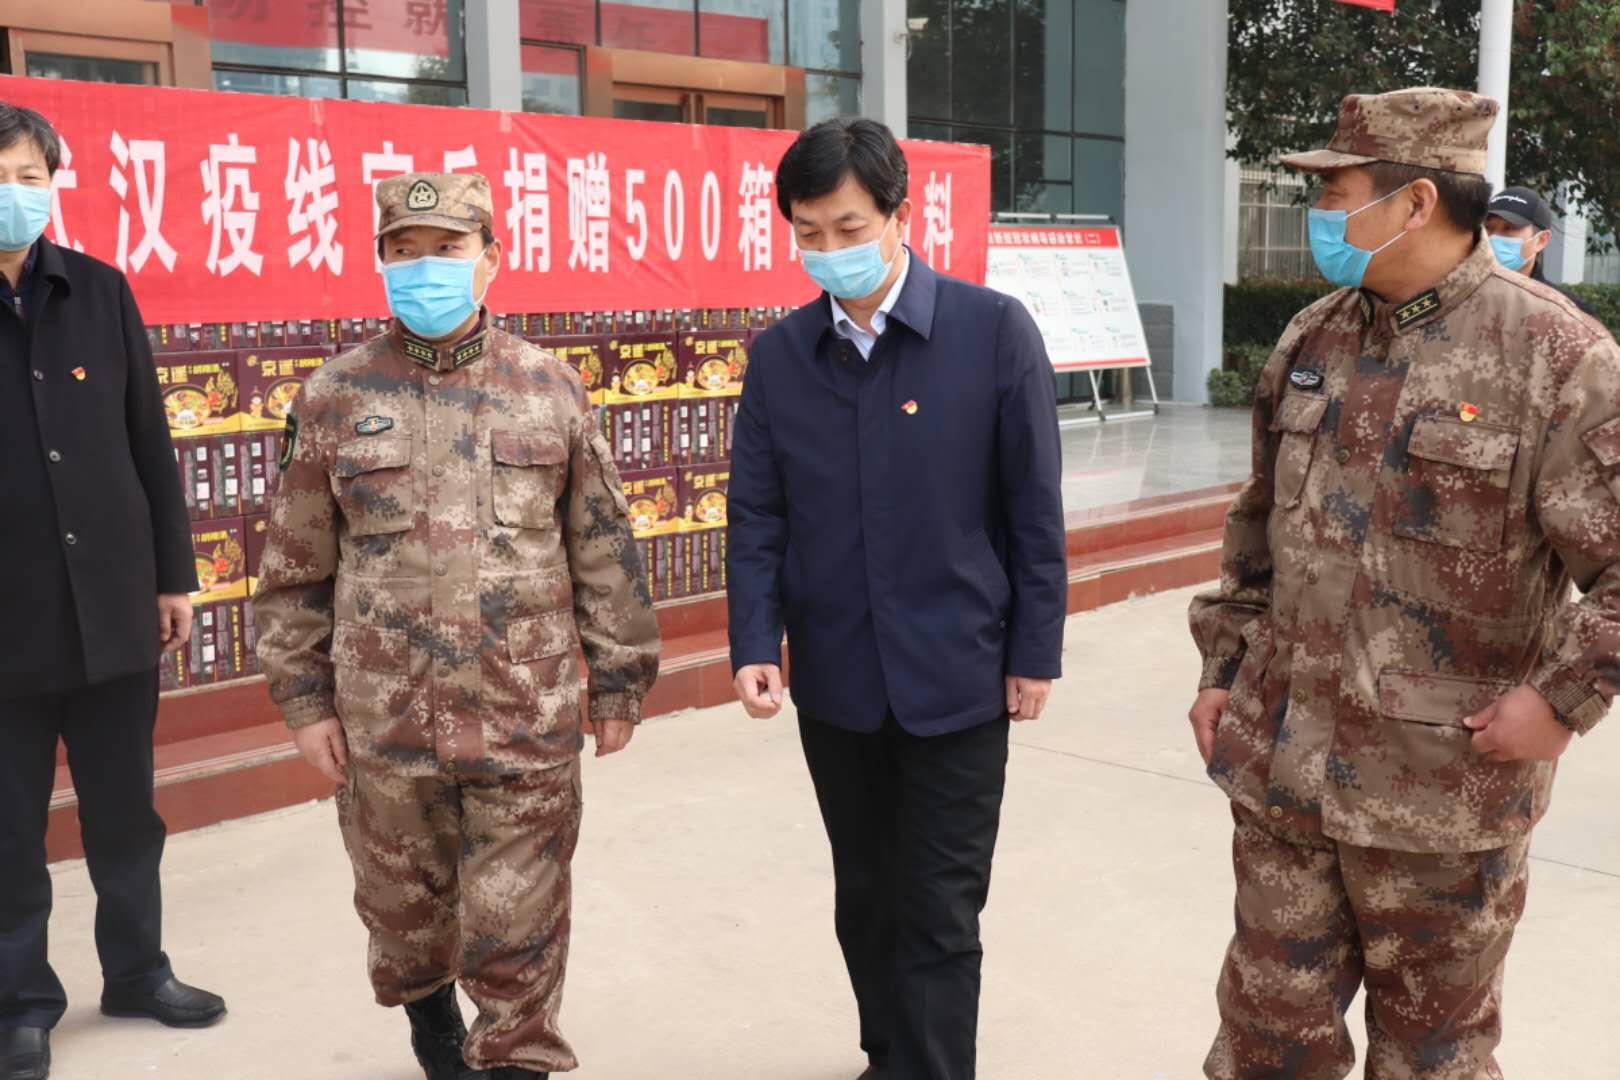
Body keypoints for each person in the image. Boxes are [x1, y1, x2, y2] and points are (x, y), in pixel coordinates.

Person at [1188, 87, 1620, 1079]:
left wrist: (1560, 702)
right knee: (1264, 1049)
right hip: (1284, 781)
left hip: (1443, 802)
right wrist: (1223, 672)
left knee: (1433, 1060)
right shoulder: (1313, 338)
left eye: (1335, 193)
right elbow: (1258, 530)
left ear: (1415, 201)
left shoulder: (1557, 356)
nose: (1319, 215)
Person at [252, 172, 660, 1080]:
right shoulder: (333, 396)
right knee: (405, 918)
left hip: (525, 712)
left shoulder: (549, 388)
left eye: (447, 249)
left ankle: (514, 1052)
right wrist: (304, 701)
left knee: (521, 919)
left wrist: (620, 682)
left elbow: (602, 547)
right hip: (387, 723)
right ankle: (433, 1024)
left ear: (491, 258)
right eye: (404, 251)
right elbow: (293, 569)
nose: (425, 268)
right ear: (380, 262)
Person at [727, 118, 1067, 1080]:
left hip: (959, 674)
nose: (828, 249)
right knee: (867, 896)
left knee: (940, 907)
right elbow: (757, 514)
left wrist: (1034, 652)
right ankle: (892, 1058)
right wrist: (754, 641)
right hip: (837, 679)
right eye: (808, 233)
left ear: (900, 216)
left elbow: (1033, 509)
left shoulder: (991, 332)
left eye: (848, 227)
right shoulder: (782, 356)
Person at [0, 104, 227, 1080]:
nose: (15, 193)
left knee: (126, 815)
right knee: (8, 833)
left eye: (28, 175)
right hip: (6, 623)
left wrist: (172, 576)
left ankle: (138, 972)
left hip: (112, 606)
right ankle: (20, 1005)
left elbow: (148, 439)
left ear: (53, 183)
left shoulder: (99, 290)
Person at [1485, 184, 1600, 317]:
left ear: (1541, 240)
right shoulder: (1467, 296)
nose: (1493, 238)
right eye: (1488, 228)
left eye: (1509, 228)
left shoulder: (1569, 310)